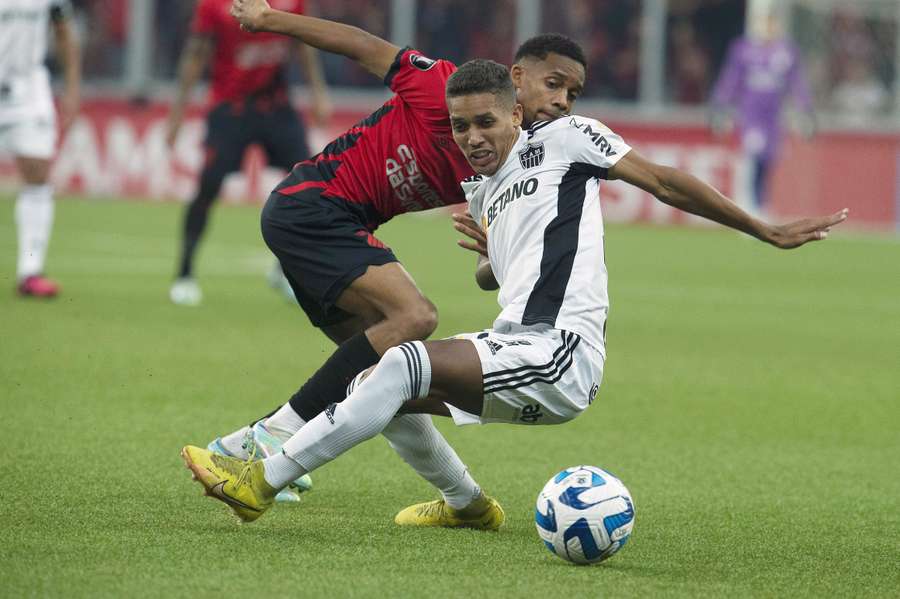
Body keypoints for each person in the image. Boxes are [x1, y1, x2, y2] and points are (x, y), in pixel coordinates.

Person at [181, 58, 848, 525]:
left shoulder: (566, 138)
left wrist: (762, 228)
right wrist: (491, 259)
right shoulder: (488, 184)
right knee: (379, 388)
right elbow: (504, 272)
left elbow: (666, 181)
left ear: (516, 109)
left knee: (400, 359)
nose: (472, 139)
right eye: (461, 128)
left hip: (560, 351)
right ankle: (469, 505)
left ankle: (261, 478)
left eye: (486, 124)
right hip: (513, 341)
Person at [204, 0, 588, 522]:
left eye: (572, 94)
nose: (562, 102)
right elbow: (363, 45)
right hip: (313, 203)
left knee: (386, 373)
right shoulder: (443, 86)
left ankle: (465, 502)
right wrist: (272, 20)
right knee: (416, 318)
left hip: (339, 222)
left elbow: (489, 271)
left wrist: (497, 253)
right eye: (553, 85)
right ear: (518, 79)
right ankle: (266, 437)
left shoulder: (505, 161)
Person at [165, 0, 331, 306]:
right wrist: (177, 115)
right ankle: (184, 274)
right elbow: (195, 54)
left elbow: (304, 46)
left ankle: (284, 272)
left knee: (311, 188)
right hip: (231, 108)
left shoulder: (292, 2)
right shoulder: (214, 5)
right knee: (208, 187)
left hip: (276, 106)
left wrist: (318, 93)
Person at [2, 0, 80, 298]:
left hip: (28, 89)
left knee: (37, 175)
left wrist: (72, 88)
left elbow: (63, 30)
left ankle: (30, 271)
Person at [709, 0, 815, 215]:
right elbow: (730, 80)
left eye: (772, 23)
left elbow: (797, 84)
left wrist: (805, 110)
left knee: (768, 161)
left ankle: (759, 205)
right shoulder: (743, 50)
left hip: (774, 118)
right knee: (753, 158)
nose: (768, 28)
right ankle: (752, 207)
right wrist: (720, 107)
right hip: (751, 115)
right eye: (765, 23)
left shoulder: (787, 52)